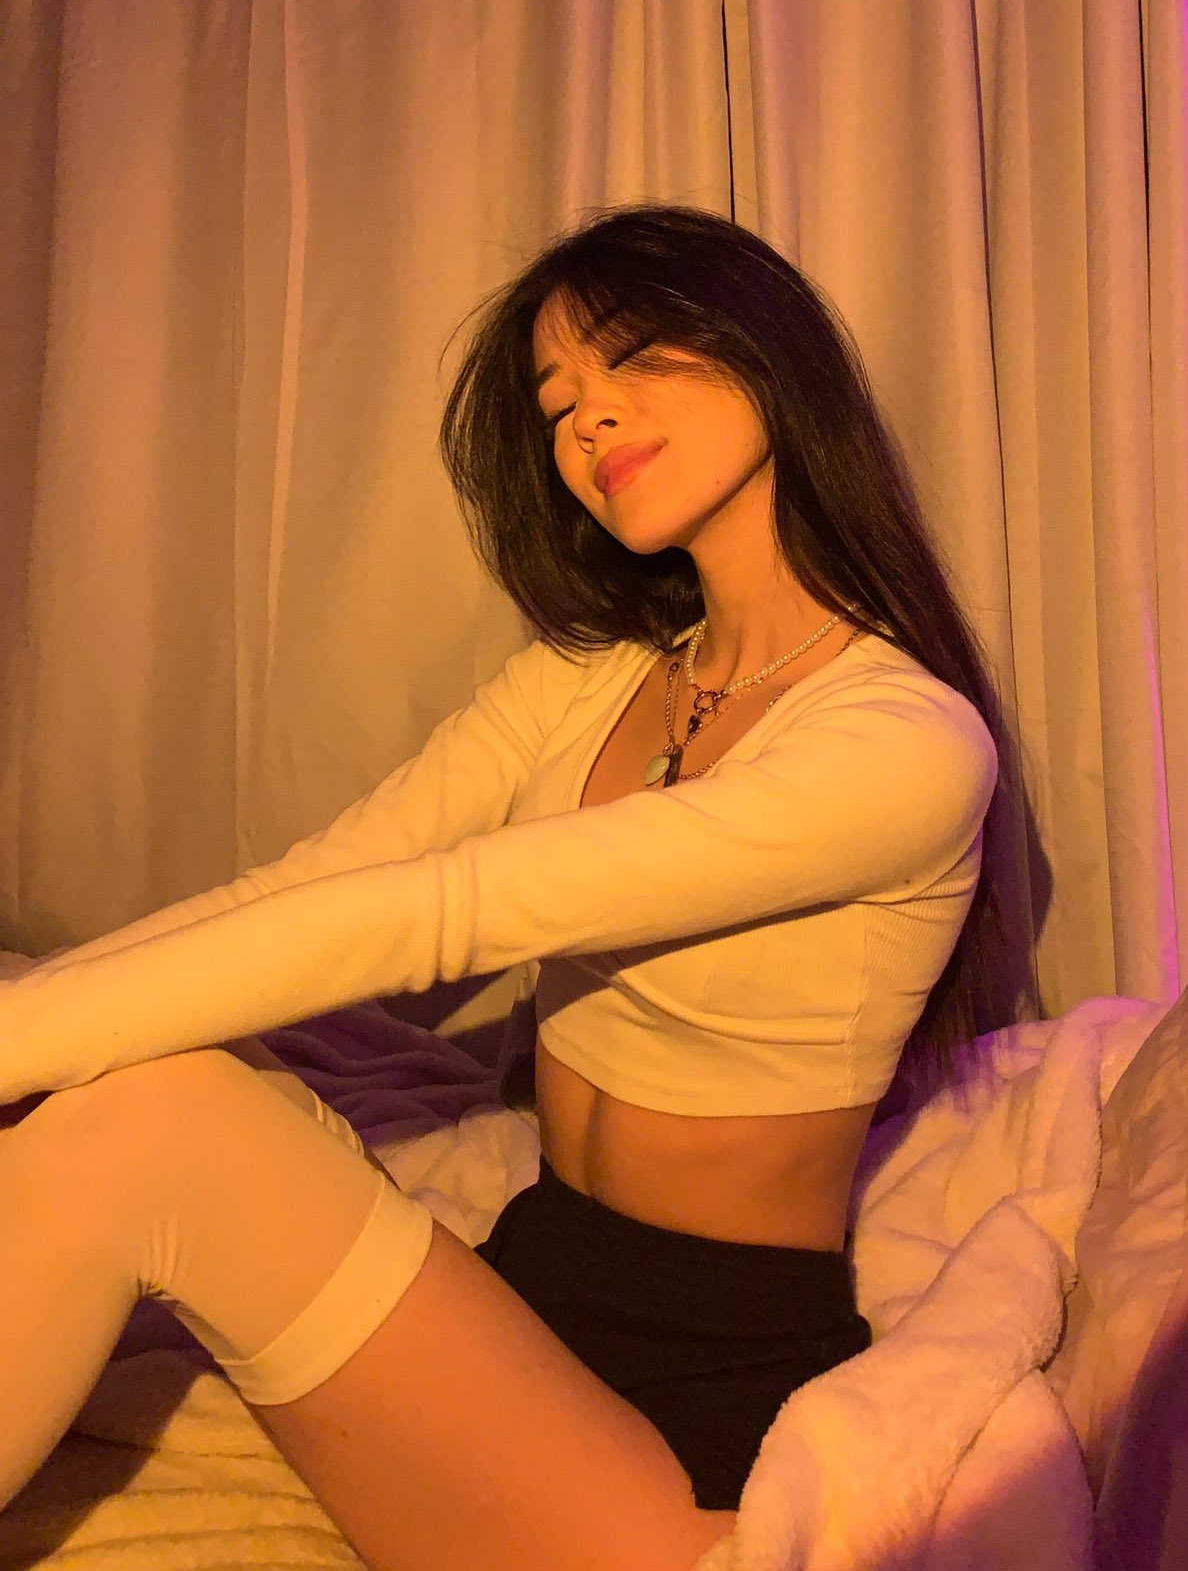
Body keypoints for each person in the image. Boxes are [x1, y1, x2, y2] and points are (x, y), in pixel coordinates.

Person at [0, 204, 1027, 1571]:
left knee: (160, 1120)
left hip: (687, 1402)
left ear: (768, 355)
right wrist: (46, 1008)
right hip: (523, 1297)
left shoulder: (904, 748)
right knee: (165, 1067)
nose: (588, 420)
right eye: (557, 404)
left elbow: (439, 914)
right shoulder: (593, 678)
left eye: (633, 357)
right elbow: (322, 882)